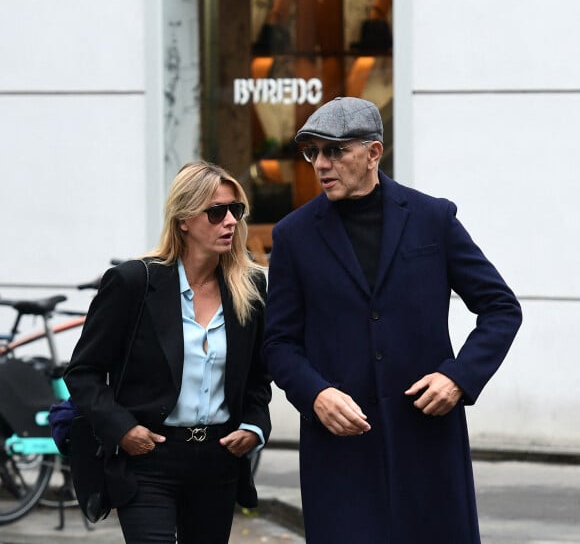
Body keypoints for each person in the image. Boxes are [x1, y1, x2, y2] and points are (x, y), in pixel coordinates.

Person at [262, 97, 522, 543]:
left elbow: (500, 307)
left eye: (335, 151)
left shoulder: (432, 219)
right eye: (313, 153)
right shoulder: (293, 236)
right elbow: (279, 344)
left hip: (427, 440)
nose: (321, 164)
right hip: (340, 449)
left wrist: (458, 377)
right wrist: (316, 394)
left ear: (373, 153)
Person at [65, 161, 271, 543]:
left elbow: (258, 375)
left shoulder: (250, 287)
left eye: (235, 211)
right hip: (149, 460)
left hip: (218, 460)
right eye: (216, 211)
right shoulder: (133, 282)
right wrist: (122, 429)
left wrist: (255, 426)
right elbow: (83, 372)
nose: (229, 221)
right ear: (183, 220)